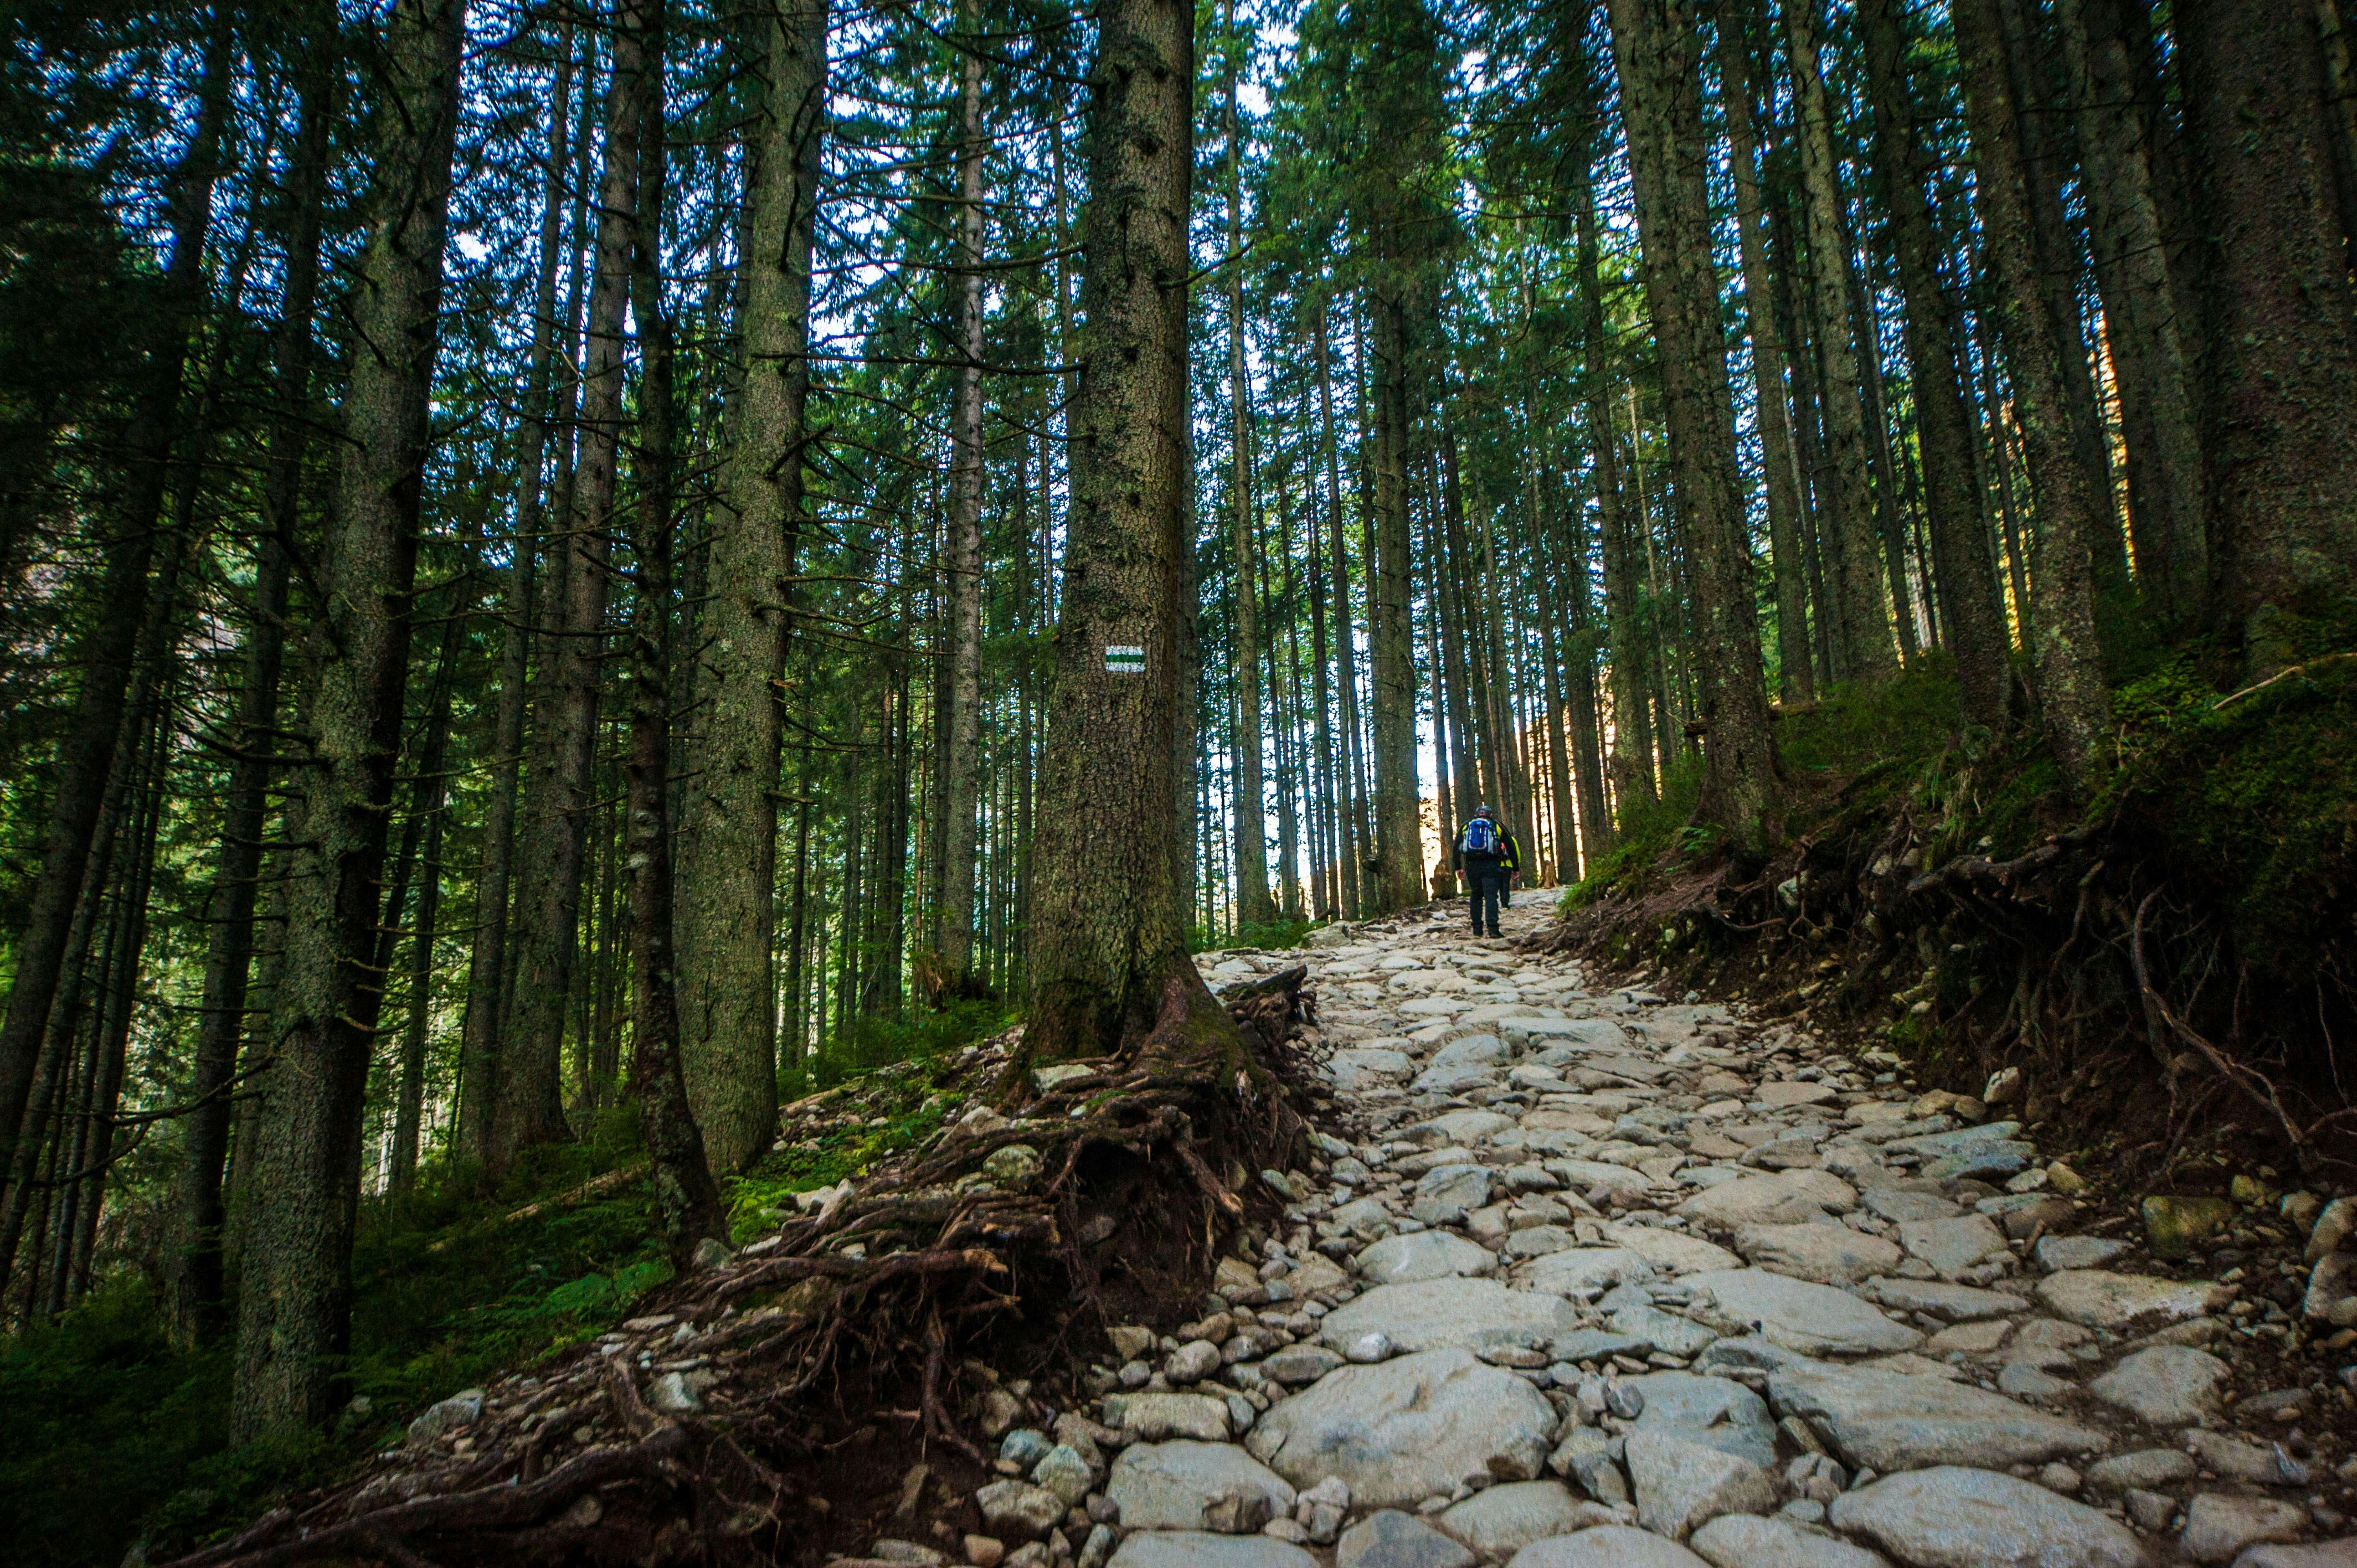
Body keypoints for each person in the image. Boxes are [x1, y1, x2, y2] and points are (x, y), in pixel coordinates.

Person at [1452, 804, 1520, 938]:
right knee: (1491, 896)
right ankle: (1493, 929)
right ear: (1491, 815)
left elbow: (1456, 847)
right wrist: (1515, 867)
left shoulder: (1467, 826)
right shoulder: (1496, 825)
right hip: (1492, 865)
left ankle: (1477, 929)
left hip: (1472, 866)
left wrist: (1458, 867)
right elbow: (1510, 847)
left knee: (1476, 895)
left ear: (1476, 815)